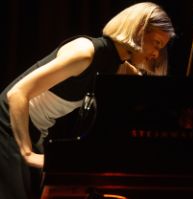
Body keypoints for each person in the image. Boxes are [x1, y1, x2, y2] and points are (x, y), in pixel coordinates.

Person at [0, 2, 175, 199]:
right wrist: (27, 153)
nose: (156, 54)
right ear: (139, 30)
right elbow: (16, 94)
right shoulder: (85, 53)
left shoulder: (116, 63)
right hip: (8, 124)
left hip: (35, 131)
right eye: (157, 43)